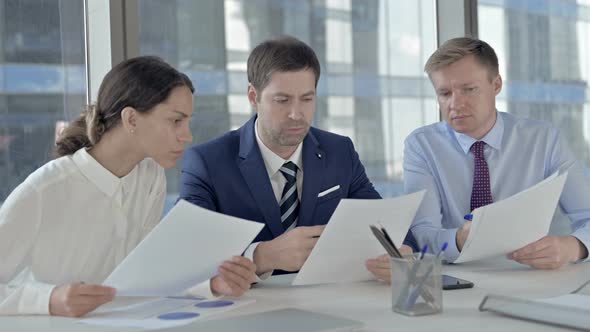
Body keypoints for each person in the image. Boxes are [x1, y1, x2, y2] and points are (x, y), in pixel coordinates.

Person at [0, 56, 256, 317]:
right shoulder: (44, 190)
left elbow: (143, 274)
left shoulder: (150, 176)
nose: (187, 135)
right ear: (131, 119)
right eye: (176, 121)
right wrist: (49, 300)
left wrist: (210, 284)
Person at [179, 36, 418, 279]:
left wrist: (402, 252)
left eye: (307, 99)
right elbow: (187, 252)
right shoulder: (206, 162)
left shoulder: (339, 151)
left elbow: (386, 224)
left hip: (330, 303)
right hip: (247, 308)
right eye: (282, 100)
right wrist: (263, 256)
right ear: (253, 97)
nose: (296, 114)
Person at [368, 37, 589, 282]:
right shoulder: (422, 146)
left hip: (530, 277)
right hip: (455, 280)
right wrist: (460, 240)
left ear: (496, 85)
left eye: (469, 89)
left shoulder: (544, 139)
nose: (455, 103)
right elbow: (423, 233)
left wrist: (574, 247)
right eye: (444, 93)